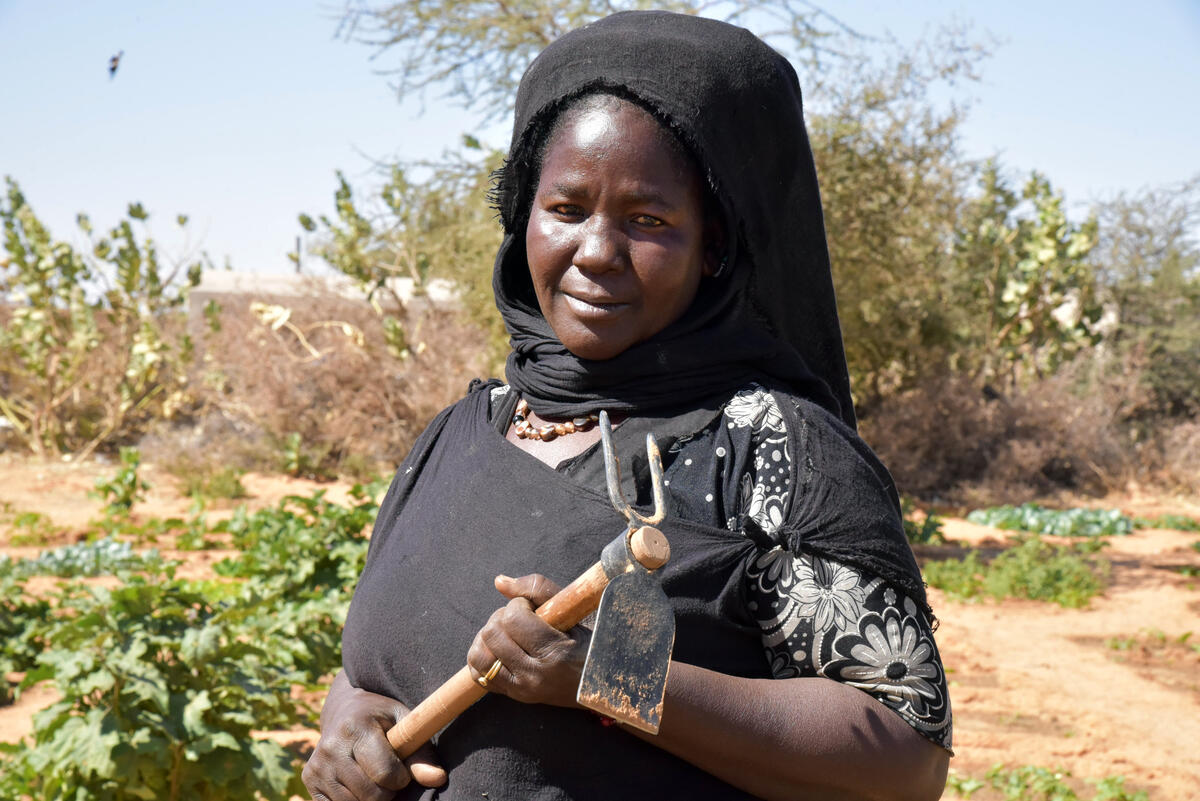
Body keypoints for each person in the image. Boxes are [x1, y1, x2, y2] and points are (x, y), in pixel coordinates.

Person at [302, 10, 951, 801]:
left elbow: (902, 756)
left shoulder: (767, 446)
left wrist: (607, 674)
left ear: (713, 244)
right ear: (523, 219)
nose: (597, 251)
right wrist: (348, 727)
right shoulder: (463, 430)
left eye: (648, 220)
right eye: (567, 210)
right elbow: (369, 666)